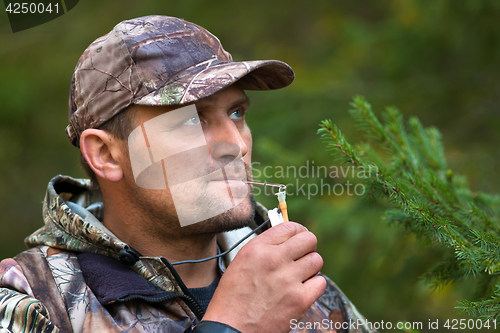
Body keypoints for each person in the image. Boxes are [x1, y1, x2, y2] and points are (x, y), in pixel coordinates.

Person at [0, 16, 375, 333]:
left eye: (237, 113)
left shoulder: (290, 283)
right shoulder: (35, 301)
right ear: (106, 155)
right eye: (193, 120)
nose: (236, 144)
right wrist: (231, 325)